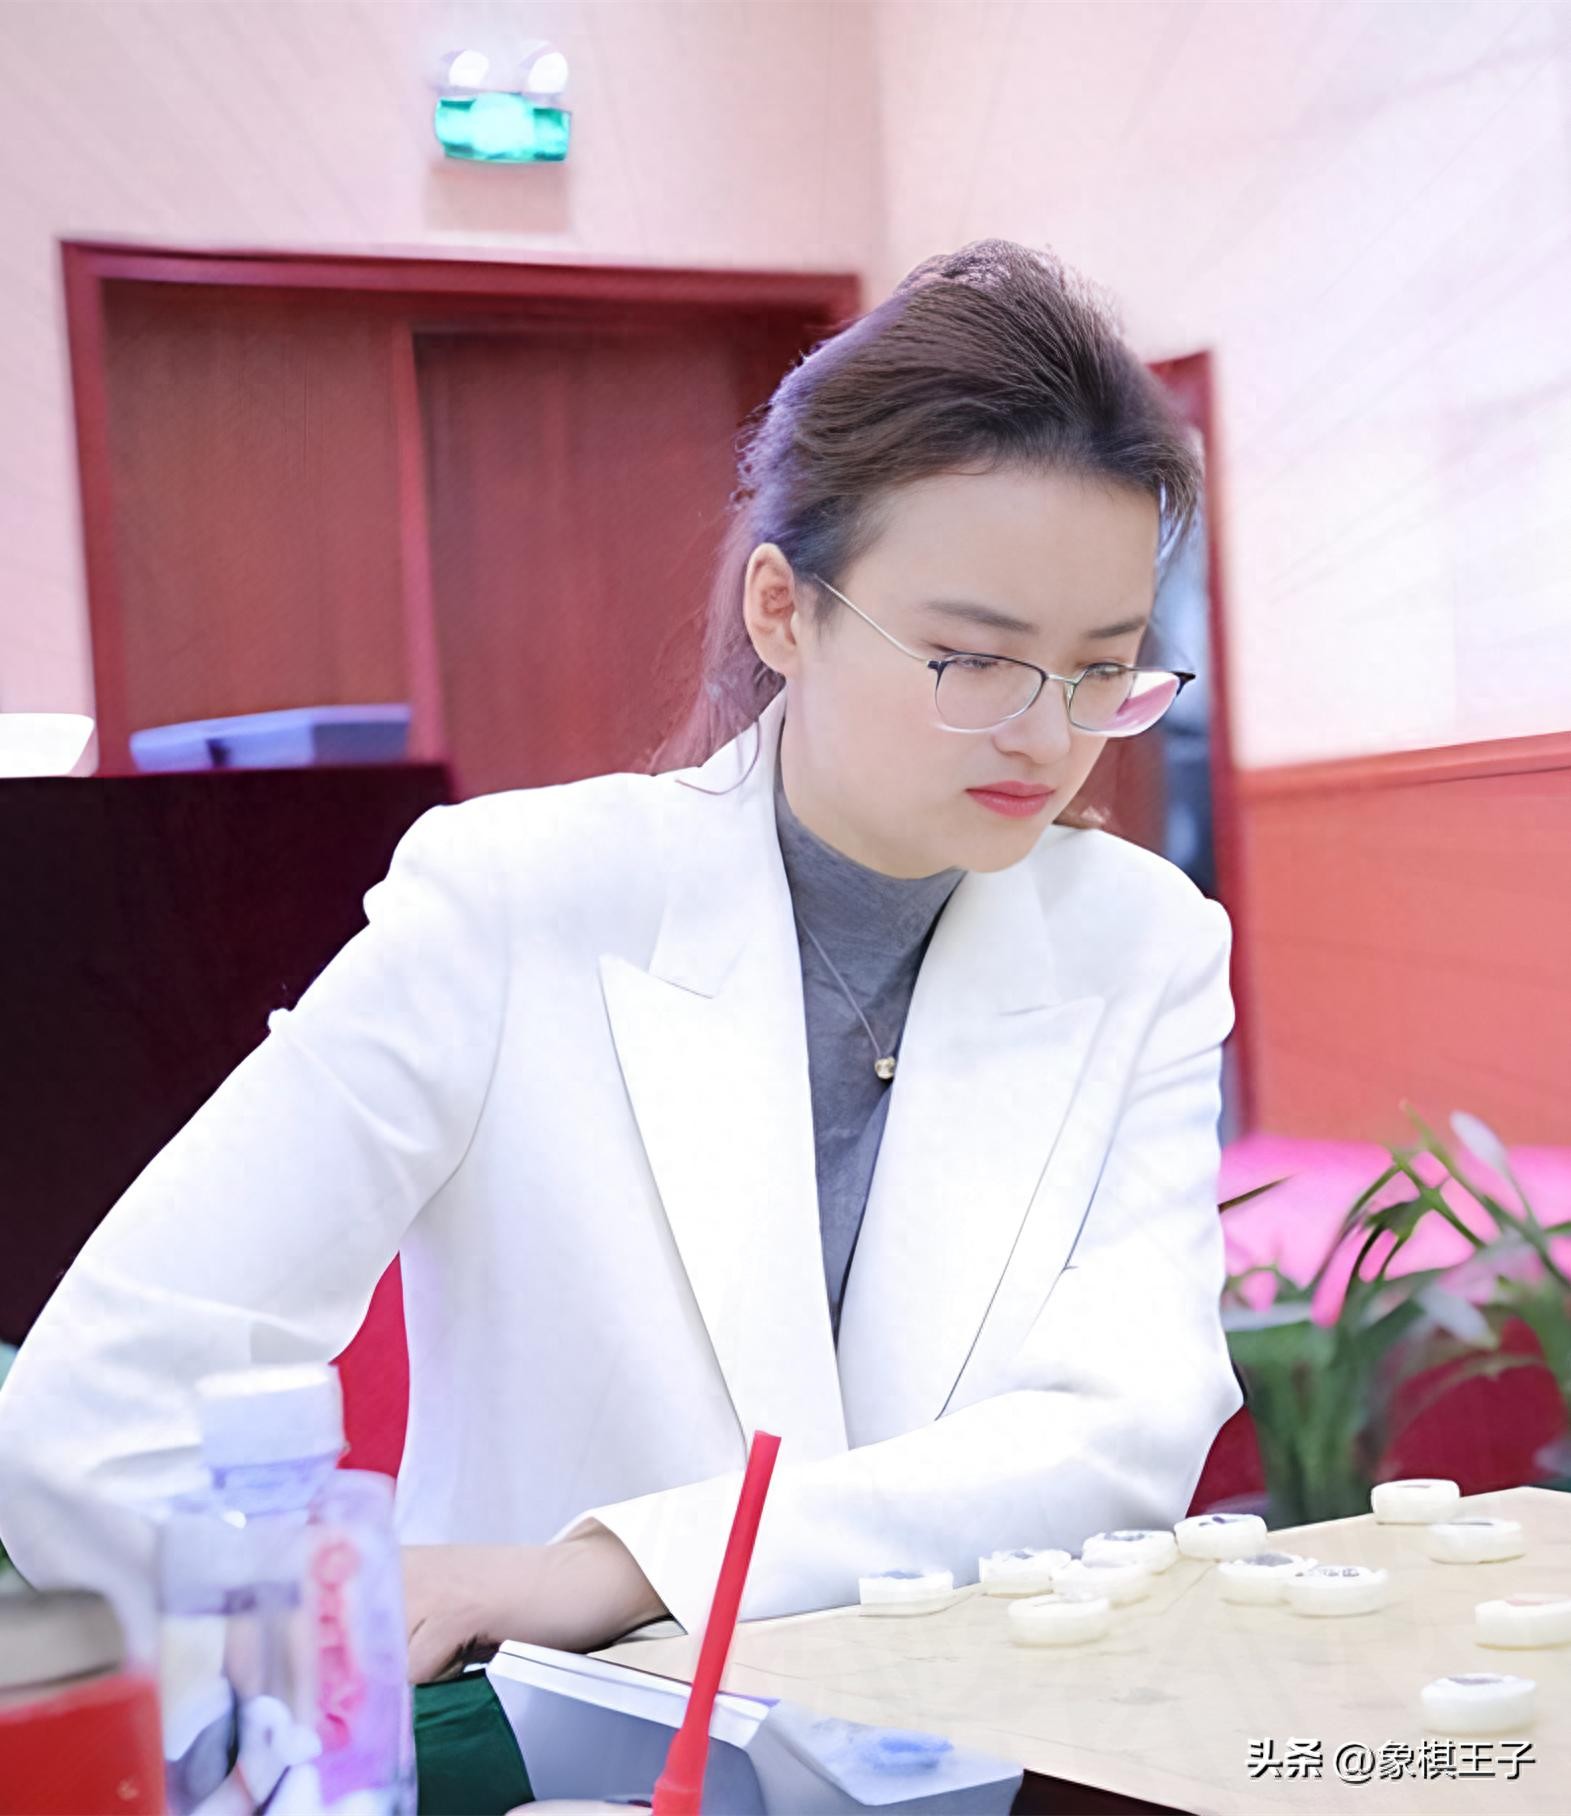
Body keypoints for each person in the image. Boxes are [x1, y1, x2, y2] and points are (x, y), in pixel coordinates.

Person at [0, 240, 1241, 1694]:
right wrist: (337, 1651)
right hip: (557, 1762)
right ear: (784, 610)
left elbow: (1120, 1434)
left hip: (983, 1747)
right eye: (974, 658)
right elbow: (100, 1410)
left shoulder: (1143, 942)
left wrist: (606, 1571)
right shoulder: (515, 902)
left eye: (1102, 669)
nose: (1047, 735)